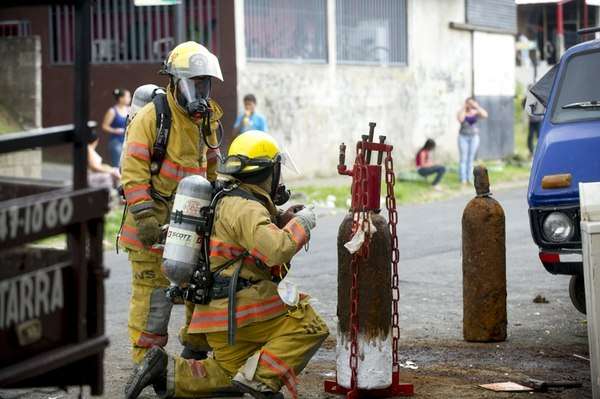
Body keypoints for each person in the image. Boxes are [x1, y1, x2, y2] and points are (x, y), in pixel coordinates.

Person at [125, 131, 328, 399]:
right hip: (242, 311)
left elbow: (244, 232)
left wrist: (282, 218)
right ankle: (261, 380)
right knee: (309, 325)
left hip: (217, 317)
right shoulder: (245, 207)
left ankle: (165, 371)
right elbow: (276, 250)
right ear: (266, 173)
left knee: (227, 373)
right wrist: (303, 223)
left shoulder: (226, 198)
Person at [118, 41, 224, 365]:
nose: (201, 91)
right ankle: (146, 362)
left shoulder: (206, 122)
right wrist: (146, 217)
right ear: (176, 82)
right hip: (152, 230)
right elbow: (132, 172)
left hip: (191, 227)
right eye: (195, 83)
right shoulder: (152, 118)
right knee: (154, 299)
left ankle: (195, 349)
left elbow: (212, 169)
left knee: (200, 287)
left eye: (205, 84)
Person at [457, 97, 488, 185]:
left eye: (472, 103)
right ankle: (463, 179)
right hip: (463, 137)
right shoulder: (462, 112)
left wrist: (477, 106)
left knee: (470, 158)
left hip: (474, 137)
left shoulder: (476, 112)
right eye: (468, 103)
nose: (470, 105)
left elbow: (485, 115)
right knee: (463, 158)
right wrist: (464, 107)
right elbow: (460, 119)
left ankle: (469, 178)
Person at [102, 88, 131, 167]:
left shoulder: (130, 110)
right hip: (116, 142)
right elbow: (104, 126)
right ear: (121, 98)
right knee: (117, 165)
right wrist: (114, 130)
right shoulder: (112, 111)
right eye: (127, 97)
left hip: (128, 141)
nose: (129, 99)